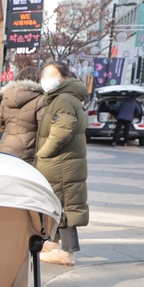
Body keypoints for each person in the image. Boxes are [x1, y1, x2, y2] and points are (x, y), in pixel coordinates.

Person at [35, 61, 89, 266]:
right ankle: (55, 243)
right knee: (58, 203)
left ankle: (66, 253)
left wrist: (43, 154)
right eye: (44, 75)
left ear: (64, 78)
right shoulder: (61, 97)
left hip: (61, 163)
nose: (46, 80)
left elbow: (63, 131)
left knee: (65, 206)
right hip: (61, 162)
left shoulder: (64, 99)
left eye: (52, 75)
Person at [0, 66, 44, 165]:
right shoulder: (40, 99)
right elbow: (43, 129)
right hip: (27, 153)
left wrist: (11, 131)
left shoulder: (7, 97)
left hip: (5, 148)